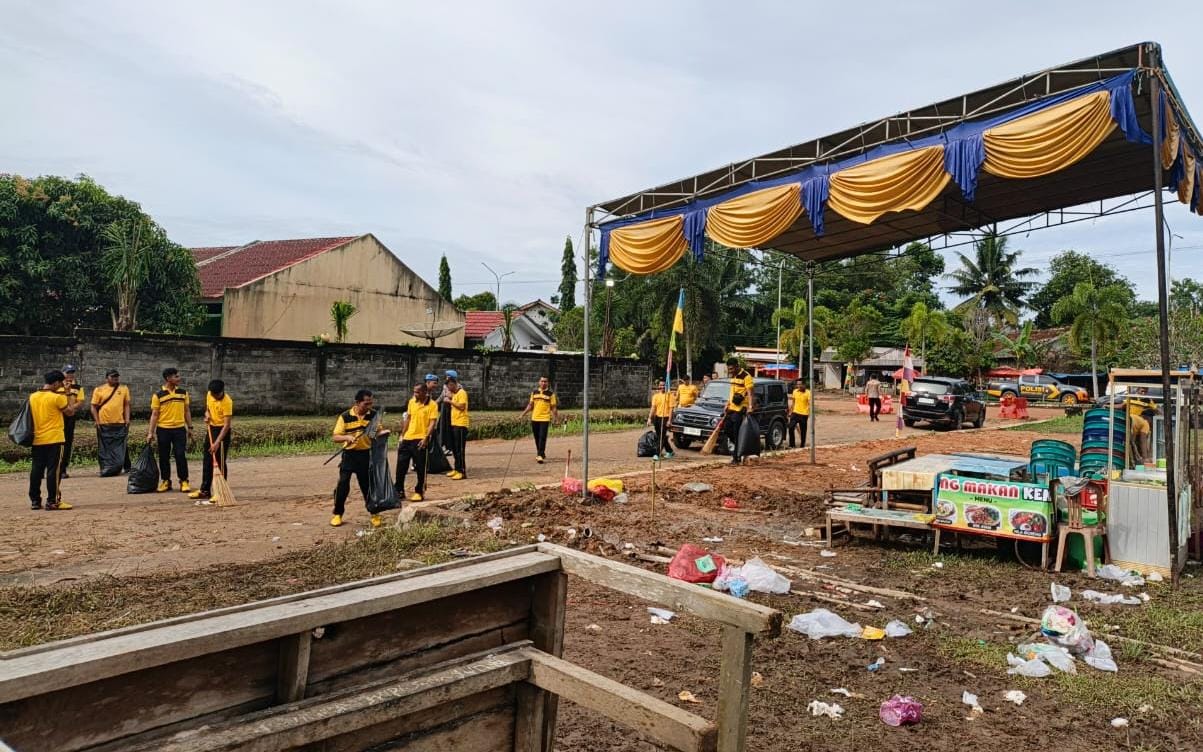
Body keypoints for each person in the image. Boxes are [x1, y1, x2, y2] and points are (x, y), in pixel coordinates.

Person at [331, 389, 387, 527]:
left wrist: (383, 433)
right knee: (343, 484)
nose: (369, 406)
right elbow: (336, 437)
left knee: (367, 486)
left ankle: (374, 513)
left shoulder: (373, 415)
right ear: (357, 402)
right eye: (366, 404)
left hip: (365, 455)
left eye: (370, 403)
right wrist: (347, 437)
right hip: (349, 455)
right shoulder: (345, 416)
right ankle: (338, 514)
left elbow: (375, 433)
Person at [28, 370, 78, 510]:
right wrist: (67, 393)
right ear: (56, 383)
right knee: (54, 471)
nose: (61, 385)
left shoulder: (33, 397)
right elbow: (70, 412)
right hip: (54, 439)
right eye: (61, 383)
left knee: (36, 470)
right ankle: (52, 501)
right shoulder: (57, 398)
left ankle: (35, 501)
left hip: (37, 439)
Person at [146, 367, 192, 493]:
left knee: (180, 455)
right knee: (164, 456)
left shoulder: (183, 393)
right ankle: (166, 481)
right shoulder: (158, 395)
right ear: (168, 378)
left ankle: (184, 481)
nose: (179, 378)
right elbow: (154, 414)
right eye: (176, 376)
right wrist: (150, 432)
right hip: (163, 430)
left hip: (179, 429)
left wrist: (190, 427)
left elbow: (187, 411)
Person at [189, 380, 233, 503]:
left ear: (222, 391)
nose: (214, 396)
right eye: (213, 394)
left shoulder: (227, 402)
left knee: (219, 461)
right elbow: (207, 409)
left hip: (222, 431)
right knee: (207, 460)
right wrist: (207, 415)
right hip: (211, 429)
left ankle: (221, 492)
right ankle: (205, 490)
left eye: (216, 394)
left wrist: (217, 442)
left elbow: (227, 425)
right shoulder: (209, 394)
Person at [397, 382, 439, 501]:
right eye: (414, 391)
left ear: (425, 392)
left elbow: (432, 422)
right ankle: (399, 490)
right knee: (401, 466)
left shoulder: (432, 405)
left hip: (420, 439)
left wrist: (426, 438)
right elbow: (408, 419)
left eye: (417, 392)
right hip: (407, 438)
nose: (415, 394)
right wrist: (402, 435)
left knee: (420, 467)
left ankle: (419, 491)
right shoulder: (412, 402)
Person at [90, 368, 132, 474]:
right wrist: (97, 421)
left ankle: (126, 466)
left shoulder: (124, 389)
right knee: (104, 446)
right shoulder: (99, 390)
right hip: (104, 423)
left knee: (121, 445)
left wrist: (127, 419)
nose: (115, 378)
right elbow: (93, 406)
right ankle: (105, 467)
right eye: (112, 376)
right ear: (106, 378)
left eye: (116, 376)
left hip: (119, 422)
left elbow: (126, 405)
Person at [54, 365, 86, 478]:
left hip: (70, 416)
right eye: (68, 372)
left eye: (72, 372)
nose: (70, 375)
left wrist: (70, 409)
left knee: (67, 442)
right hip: (58, 416)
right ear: (62, 373)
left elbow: (80, 402)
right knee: (55, 442)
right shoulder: (57, 386)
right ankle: (51, 468)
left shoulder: (78, 387)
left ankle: (63, 469)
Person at [724, 357, 755, 465]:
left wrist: (750, 407)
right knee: (727, 429)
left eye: (731, 369)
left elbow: (750, 393)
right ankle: (741, 445)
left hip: (741, 409)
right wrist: (727, 403)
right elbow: (731, 392)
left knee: (737, 432)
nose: (730, 371)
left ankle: (736, 458)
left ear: (737, 366)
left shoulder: (746, 376)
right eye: (729, 369)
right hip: (731, 408)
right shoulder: (733, 376)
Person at [520, 376, 558, 463]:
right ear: (539, 382)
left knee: (542, 437)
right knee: (537, 437)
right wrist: (522, 414)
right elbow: (530, 405)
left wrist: (556, 418)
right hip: (535, 418)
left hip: (545, 419)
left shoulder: (551, 394)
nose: (543, 383)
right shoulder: (534, 393)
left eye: (545, 381)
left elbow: (553, 407)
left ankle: (539, 455)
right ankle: (541, 453)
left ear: (548, 383)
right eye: (542, 381)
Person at [445, 370, 468, 480]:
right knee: (454, 448)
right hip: (454, 424)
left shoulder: (461, 393)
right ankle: (457, 468)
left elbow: (462, 407)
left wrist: (450, 401)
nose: (448, 388)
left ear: (453, 384)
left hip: (461, 424)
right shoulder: (454, 394)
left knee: (460, 449)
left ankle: (462, 471)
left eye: (449, 386)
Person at [645, 379, 676, 459]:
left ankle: (657, 453)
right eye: (661, 385)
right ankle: (670, 451)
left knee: (662, 436)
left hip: (665, 418)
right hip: (658, 417)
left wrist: (669, 420)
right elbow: (653, 408)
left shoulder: (670, 395)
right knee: (660, 436)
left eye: (664, 385)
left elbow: (671, 409)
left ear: (666, 386)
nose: (662, 387)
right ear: (658, 386)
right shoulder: (656, 396)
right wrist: (649, 418)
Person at [788, 380, 811, 449]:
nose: (799, 386)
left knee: (803, 430)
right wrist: (790, 411)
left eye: (800, 384)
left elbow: (810, 404)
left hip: (804, 414)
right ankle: (792, 445)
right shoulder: (795, 391)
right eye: (797, 384)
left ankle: (802, 445)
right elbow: (793, 402)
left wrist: (810, 412)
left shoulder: (808, 392)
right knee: (791, 427)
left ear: (804, 385)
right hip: (795, 413)